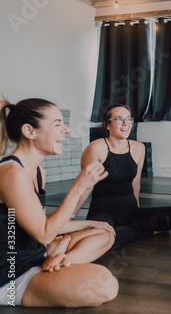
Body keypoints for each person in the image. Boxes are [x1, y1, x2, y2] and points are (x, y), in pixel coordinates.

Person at [0, 98, 118, 307]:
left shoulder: (37, 171)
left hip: (36, 254)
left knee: (105, 233)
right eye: (57, 124)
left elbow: (40, 224)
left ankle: (60, 259)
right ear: (30, 131)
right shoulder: (11, 173)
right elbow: (45, 233)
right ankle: (57, 260)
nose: (66, 129)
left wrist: (88, 224)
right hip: (11, 274)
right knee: (105, 285)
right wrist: (79, 187)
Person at [79, 104, 171, 248]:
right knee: (101, 237)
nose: (125, 124)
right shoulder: (96, 148)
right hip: (103, 211)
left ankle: (123, 231)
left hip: (130, 210)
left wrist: (137, 212)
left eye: (128, 119)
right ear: (107, 125)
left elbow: (135, 184)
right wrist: (70, 219)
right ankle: (144, 232)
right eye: (119, 119)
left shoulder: (138, 148)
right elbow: (83, 187)